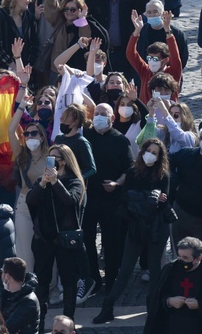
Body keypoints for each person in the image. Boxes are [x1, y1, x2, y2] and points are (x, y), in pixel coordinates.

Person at [93, 138, 170, 324]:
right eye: (148, 150)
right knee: (125, 269)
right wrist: (149, 198)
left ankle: (153, 307)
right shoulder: (133, 172)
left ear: (159, 157)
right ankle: (108, 306)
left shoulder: (163, 175)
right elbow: (127, 199)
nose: (150, 154)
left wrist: (143, 199)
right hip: (136, 225)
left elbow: (162, 203)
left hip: (156, 226)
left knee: (154, 269)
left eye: (155, 152)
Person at [26, 144, 85, 329]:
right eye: (50, 158)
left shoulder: (74, 180)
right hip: (44, 238)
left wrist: (55, 182)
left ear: (65, 161)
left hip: (65, 239)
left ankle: (68, 322)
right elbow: (30, 201)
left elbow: (70, 200)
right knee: (41, 281)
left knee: (68, 280)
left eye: (56, 158)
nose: (52, 162)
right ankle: (41, 322)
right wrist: (43, 183)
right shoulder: (42, 181)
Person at [84, 103, 133, 294]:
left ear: (112, 118)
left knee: (112, 241)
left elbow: (129, 168)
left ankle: (112, 279)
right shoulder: (86, 137)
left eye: (103, 114)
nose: (99, 117)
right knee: (87, 239)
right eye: (96, 114)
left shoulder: (120, 140)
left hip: (112, 198)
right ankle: (93, 279)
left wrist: (117, 183)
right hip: (89, 198)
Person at [82, 0, 149, 80]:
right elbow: (81, 6)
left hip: (125, 49)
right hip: (103, 50)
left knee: (124, 82)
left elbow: (146, 6)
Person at [8, 93, 50, 272]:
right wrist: (21, 106)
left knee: (48, 249)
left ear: (42, 137)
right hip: (25, 204)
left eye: (35, 133)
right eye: (27, 133)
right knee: (24, 250)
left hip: (46, 204)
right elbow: (11, 130)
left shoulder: (51, 155)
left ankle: (51, 287)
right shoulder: (21, 155)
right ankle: (27, 284)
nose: (30, 136)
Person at [170, 126, 202, 251]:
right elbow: (168, 161)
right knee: (179, 251)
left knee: (199, 253)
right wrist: (175, 182)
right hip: (180, 211)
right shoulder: (187, 153)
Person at [128, 10, 182, 103]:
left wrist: (167, 30)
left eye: (156, 59)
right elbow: (130, 54)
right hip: (147, 115)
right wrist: (136, 32)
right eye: (149, 58)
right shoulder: (145, 71)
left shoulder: (173, 72)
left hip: (169, 113)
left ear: (165, 60)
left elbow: (175, 56)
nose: (151, 61)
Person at [43, 0, 92, 78]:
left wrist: (81, 19)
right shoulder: (59, 22)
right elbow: (50, 7)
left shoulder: (83, 23)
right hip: (56, 70)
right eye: (66, 9)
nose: (69, 12)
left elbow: (85, 40)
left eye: (73, 9)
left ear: (80, 10)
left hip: (76, 71)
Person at [0, 0, 37, 71]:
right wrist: (14, 65)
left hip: (26, 67)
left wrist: (29, 64)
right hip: (4, 67)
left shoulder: (29, 16)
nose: (29, 1)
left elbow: (34, 43)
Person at [135, 0, 188, 71]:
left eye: (155, 12)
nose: (152, 15)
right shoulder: (142, 31)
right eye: (149, 12)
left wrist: (174, 72)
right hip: (145, 74)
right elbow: (136, 53)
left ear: (162, 13)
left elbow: (183, 56)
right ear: (145, 14)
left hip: (170, 76)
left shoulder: (177, 33)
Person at [0, 257, 40, 334]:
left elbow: (8, 328)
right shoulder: (3, 294)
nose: (1, 275)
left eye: (2, 272)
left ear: (7, 276)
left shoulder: (29, 301)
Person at [54, 104, 96, 180]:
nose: (61, 119)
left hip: (74, 188)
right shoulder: (58, 138)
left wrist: (75, 179)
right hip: (57, 184)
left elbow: (91, 169)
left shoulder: (81, 142)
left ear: (75, 121)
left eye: (66, 117)